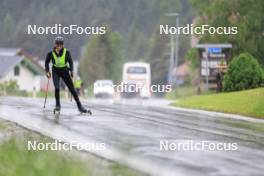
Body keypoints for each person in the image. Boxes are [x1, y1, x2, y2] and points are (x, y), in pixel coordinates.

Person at [45, 36, 91, 114]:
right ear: (55, 44)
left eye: (61, 44)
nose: (59, 46)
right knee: (57, 88)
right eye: (58, 44)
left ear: (63, 45)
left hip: (65, 71)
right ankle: (58, 105)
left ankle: (80, 106)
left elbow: (71, 62)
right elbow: (46, 62)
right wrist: (47, 71)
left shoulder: (67, 52)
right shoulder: (50, 53)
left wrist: (72, 71)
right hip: (55, 71)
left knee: (72, 89)